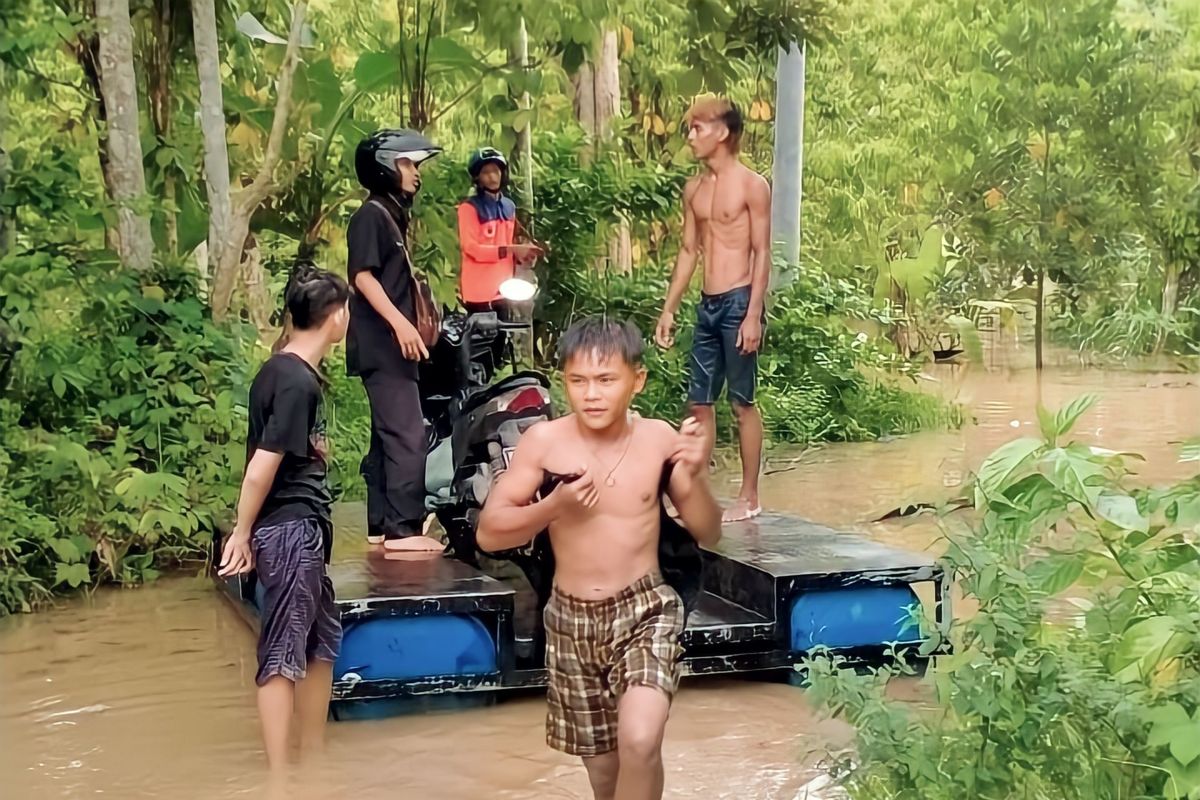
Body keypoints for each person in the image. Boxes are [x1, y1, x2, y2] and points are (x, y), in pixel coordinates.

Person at [477, 316, 722, 800]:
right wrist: (553, 507)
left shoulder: (657, 440)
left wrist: (691, 480)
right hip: (570, 619)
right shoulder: (544, 443)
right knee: (606, 775)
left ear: (638, 380)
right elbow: (488, 533)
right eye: (578, 381)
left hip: (645, 609)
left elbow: (708, 531)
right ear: (563, 380)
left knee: (640, 740)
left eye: (606, 380)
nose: (591, 394)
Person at [217, 267, 350, 774]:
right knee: (283, 646)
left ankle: (312, 757)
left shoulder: (283, 370)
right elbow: (261, 468)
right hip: (290, 527)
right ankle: (279, 779)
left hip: (300, 525)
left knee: (322, 636)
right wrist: (242, 532)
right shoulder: (295, 380)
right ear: (336, 317)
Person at [654, 96, 772, 523]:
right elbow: (688, 250)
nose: (690, 136)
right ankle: (697, 497)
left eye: (697, 128)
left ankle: (750, 496)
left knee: (742, 402)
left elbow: (762, 252)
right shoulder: (694, 189)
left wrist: (754, 313)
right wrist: (669, 308)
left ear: (722, 132)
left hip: (740, 299)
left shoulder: (751, 185)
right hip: (706, 305)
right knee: (699, 404)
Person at [346, 129, 444, 552]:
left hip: (386, 346)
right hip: (384, 345)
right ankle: (403, 530)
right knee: (407, 435)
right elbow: (362, 276)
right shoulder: (371, 215)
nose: (415, 173)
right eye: (407, 164)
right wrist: (401, 325)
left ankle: (379, 524)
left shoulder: (390, 216)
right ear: (385, 166)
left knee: (387, 436)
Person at [456, 146, 541, 313]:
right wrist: (511, 250)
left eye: (496, 171)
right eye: (486, 172)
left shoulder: (509, 206)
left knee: (504, 336)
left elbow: (507, 245)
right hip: (479, 292)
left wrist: (522, 256)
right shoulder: (469, 208)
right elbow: (472, 248)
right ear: (477, 177)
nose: (492, 176)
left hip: (504, 290)